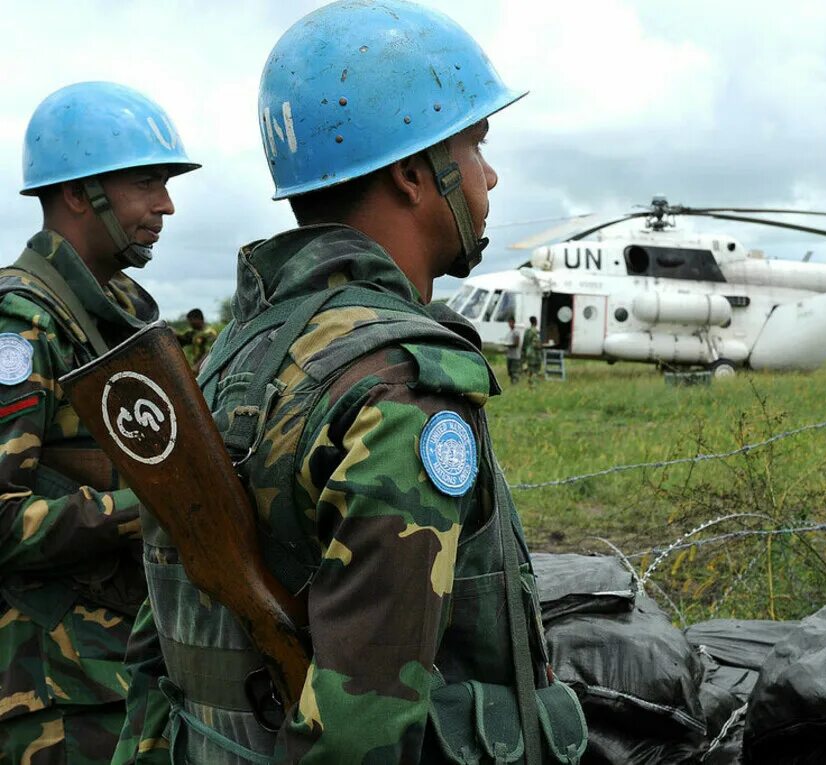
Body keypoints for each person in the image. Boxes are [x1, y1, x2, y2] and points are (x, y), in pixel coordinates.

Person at [116, 2, 588, 763]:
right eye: (474, 144)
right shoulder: (401, 384)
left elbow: (161, 648)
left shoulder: (236, 353)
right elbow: (364, 729)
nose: (490, 173)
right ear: (413, 175)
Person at [0, 82, 198, 763]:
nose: (166, 204)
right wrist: (161, 506)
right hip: (49, 700)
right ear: (79, 194)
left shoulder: (120, 311)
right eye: (147, 183)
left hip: (125, 676)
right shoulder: (20, 323)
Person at [176, 307, 218, 372]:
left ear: (199, 319)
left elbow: (211, 351)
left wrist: (197, 366)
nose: (190, 323)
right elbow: (182, 339)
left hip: (205, 368)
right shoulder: (193, 333)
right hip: (193, 369)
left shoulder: (210, 333)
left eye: (191, 320)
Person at [522, 315, 543, 382]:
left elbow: (524, 343)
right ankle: (533, 383)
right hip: (535, 354)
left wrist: (524, 352)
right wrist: (541, 346)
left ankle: (530, 382)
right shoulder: (535, 332)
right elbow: (537, 344)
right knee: (536, 369)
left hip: (528, 353)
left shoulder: (527, 331)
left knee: (530, 369)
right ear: (535, 322)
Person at [505, 316, 523, 384]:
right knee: (510, 372)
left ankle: (515, 385)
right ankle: (512, 384)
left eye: (511, 322)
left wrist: (508, 345)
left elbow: (516, 344)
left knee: (514, 372)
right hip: (509, 355)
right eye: (509, 322)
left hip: (515, 356)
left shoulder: (516, 332)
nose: (509, 324)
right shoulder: (509, 333)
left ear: (514, 322)